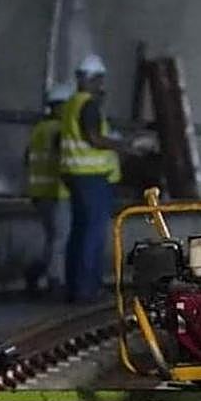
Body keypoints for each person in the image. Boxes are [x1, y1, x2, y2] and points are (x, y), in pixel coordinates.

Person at [59, 54, 130, 303]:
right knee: (93, 234)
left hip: (74, 175)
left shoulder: (70, 104)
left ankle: (75, 287)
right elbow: (93, 138)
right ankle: (88, 289)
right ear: (96, 79)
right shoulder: (88, 105)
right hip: (92, 178)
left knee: (79, 232)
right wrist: (122, 145)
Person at [24, 83, 73, 294]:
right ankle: (55, 280)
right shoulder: (61, 130)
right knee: (61, 238)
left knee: (53, 238)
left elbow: (27, 158)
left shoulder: (39, 129)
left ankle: (36, 272)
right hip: (58, 191)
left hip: (39, 192)